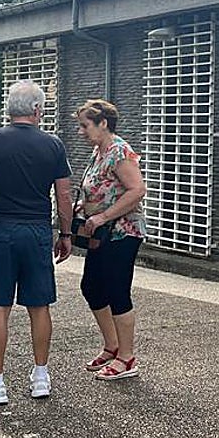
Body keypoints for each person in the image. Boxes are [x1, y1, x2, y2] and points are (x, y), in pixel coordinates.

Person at [0, 81, 73, 404]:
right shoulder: (53, 145)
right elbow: (63, 196)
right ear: (38, 110)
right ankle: (41, 378)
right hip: (37, 232)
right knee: (39, 306)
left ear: (10, 109)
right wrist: (65, 234)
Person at [74, 98, 147, 381]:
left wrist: (103, 216)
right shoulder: (99, 150)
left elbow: (137, 190)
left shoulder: (119, 151)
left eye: (85, 126)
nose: (81, 132)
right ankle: (112, 346)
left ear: (103, 123)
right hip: (101, 233)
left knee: (117, 291)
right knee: (91, 286)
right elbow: (103, 188)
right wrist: (87, 206)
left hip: (122, 232)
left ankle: (127, 358)